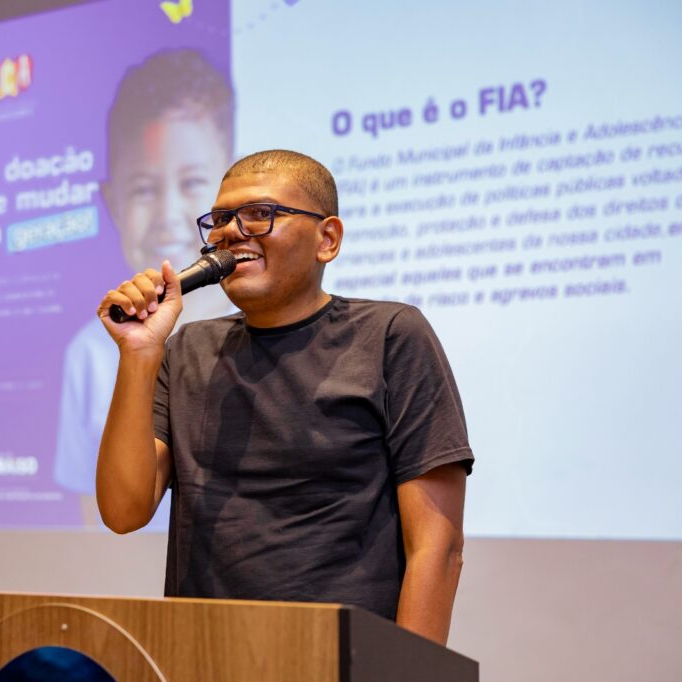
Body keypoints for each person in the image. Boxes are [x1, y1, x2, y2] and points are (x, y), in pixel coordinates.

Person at [95, 149, 474, 644]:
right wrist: (139, 353)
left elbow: (438, 546)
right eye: (221, 219)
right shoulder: (187, 348)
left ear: (327, 239)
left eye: (260, 213)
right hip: (203, 654)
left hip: (342, 659)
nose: (231, 232)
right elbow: (123, 512)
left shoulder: (389, 336)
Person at [54, 49, 235, 526]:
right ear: (111, 202)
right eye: (143, 190)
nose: (167, 214)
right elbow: (101, 519)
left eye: (192, 182)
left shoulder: (265, 326)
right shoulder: (89, 354)